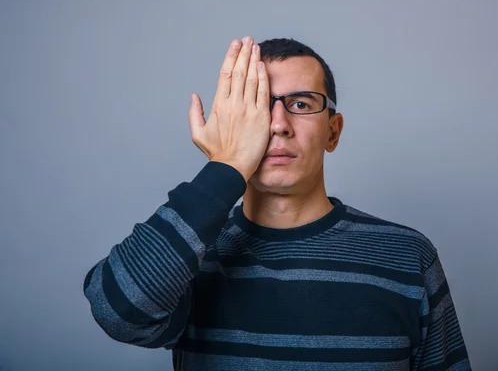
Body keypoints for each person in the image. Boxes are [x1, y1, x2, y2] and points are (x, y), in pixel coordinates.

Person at [83, 35, 471, 370]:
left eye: (301, 104)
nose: (277, 124)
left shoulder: (407, 256)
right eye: (258, 106)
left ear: (332, 133)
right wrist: (227, 163)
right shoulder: (189, 255)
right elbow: (118, 314)